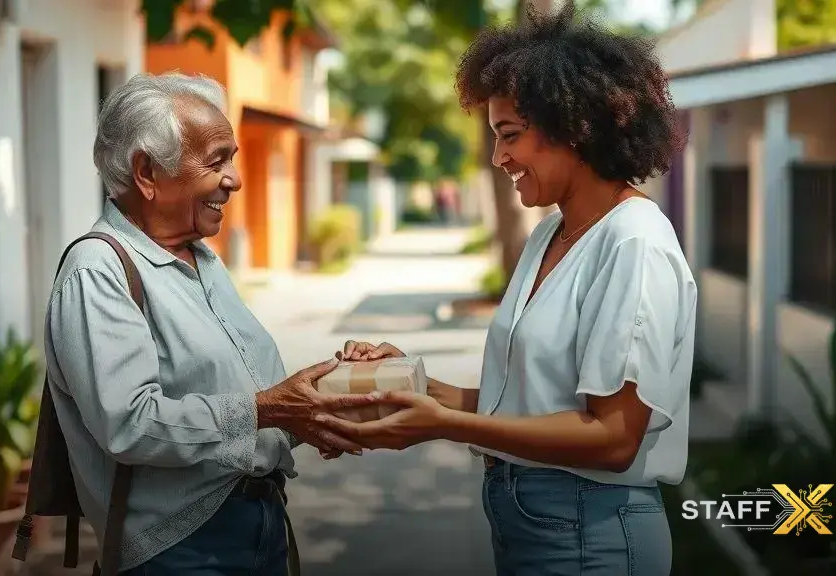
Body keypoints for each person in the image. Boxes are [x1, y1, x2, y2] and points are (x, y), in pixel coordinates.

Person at [319, 5, 695, 576]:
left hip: (591, 530)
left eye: (510, 136)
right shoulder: (552, 233)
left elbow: (615, 437)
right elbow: (526, 404)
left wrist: (444, 425)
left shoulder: (634, 242)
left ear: (575, 126)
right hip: (530, 516)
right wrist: (417, 385)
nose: (499, 158)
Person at [44, 72, 376, 575]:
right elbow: (130, 424)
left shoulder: (200, 258)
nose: (235, 179)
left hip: (258, 522)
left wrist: (328, 397)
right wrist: (269, 410)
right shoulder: (98, 271)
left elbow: (246, 397)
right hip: (180, 550)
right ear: (147, 173)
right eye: (216, 159)